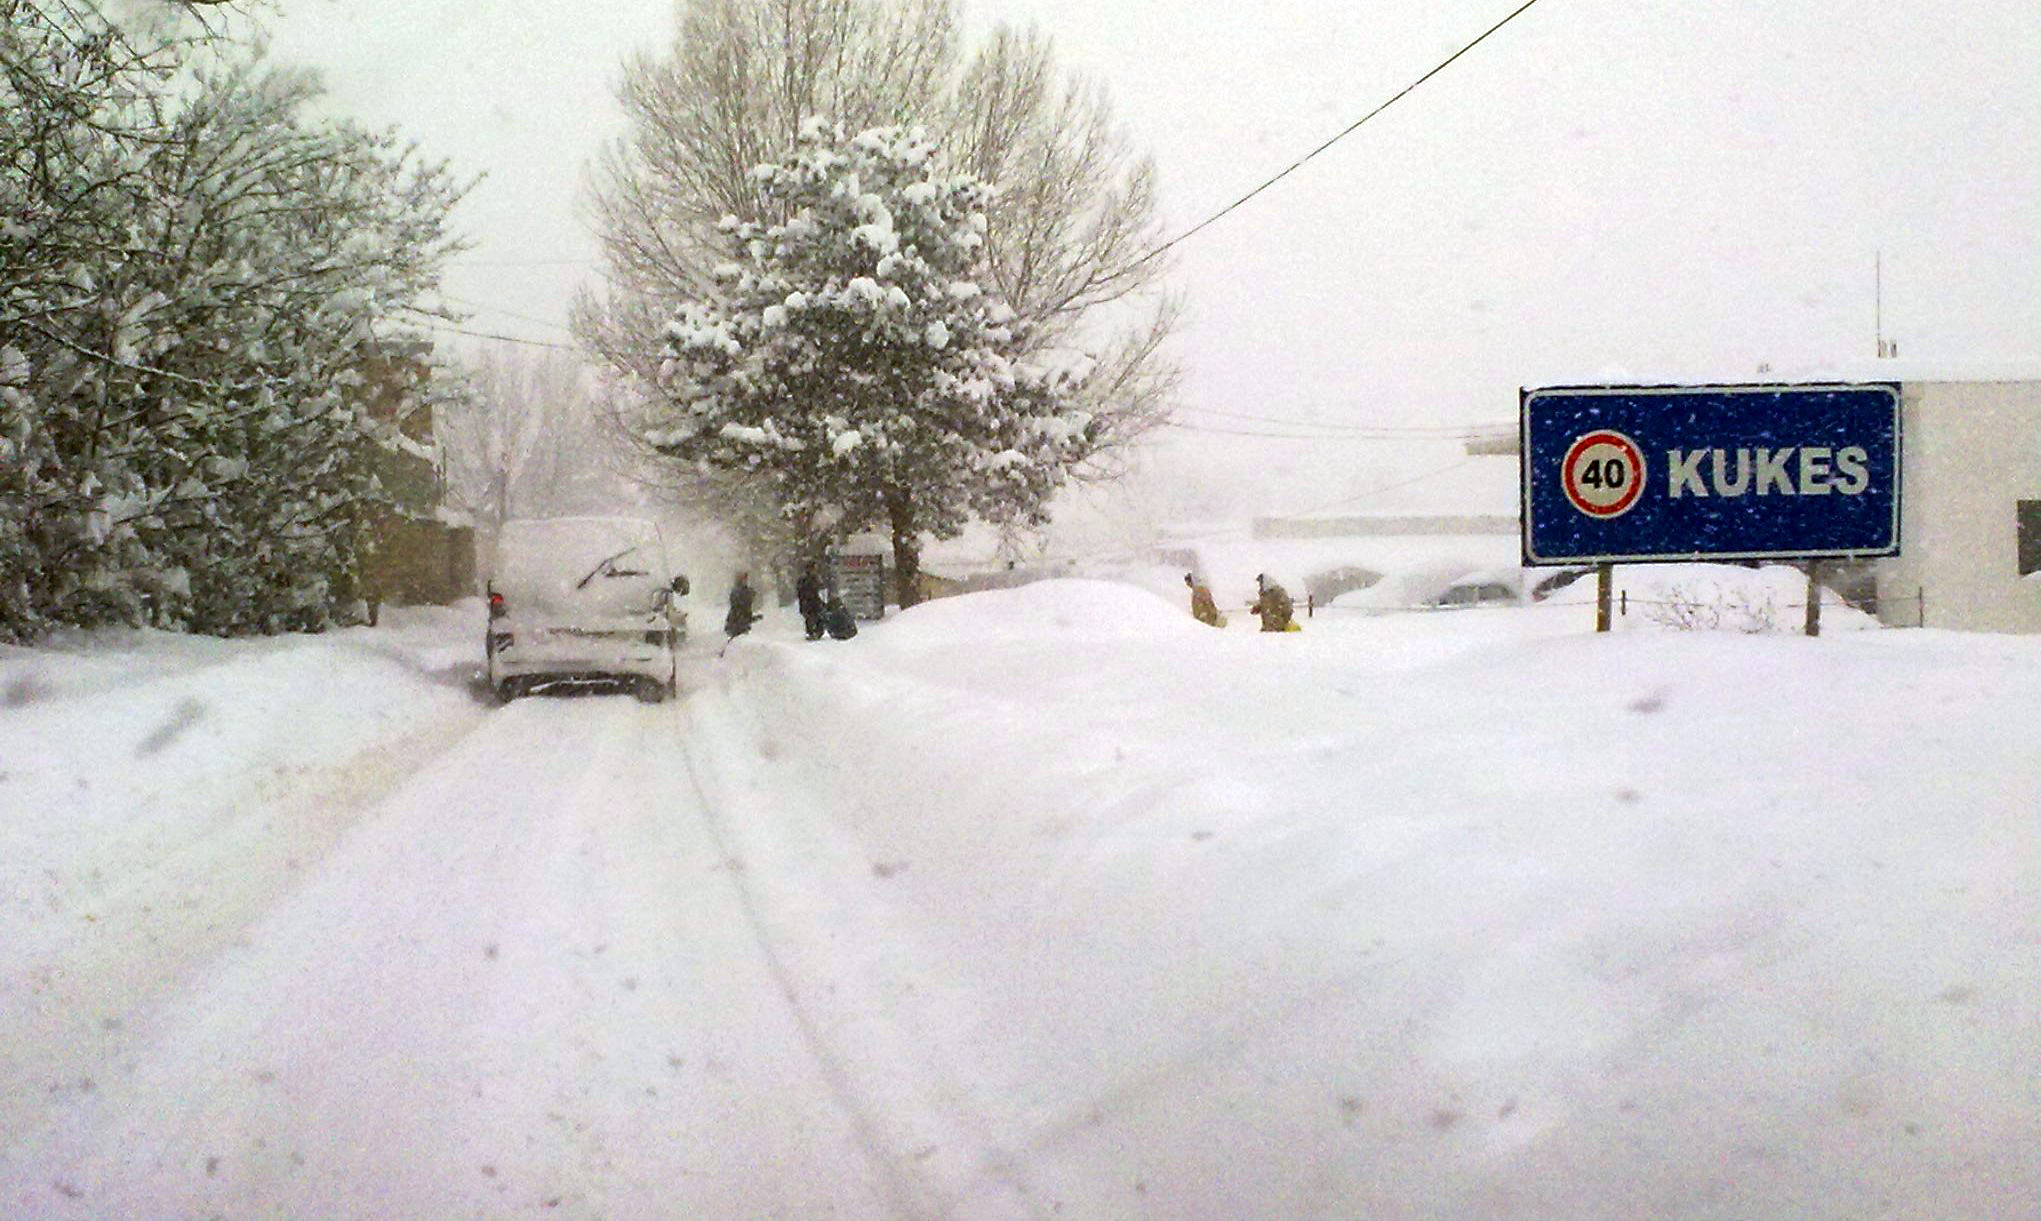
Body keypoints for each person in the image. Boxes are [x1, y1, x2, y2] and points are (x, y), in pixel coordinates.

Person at [723, 571, 760, 641]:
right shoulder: (739, 592)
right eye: (743, 579)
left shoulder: (743, 591)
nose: (745, 581)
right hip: (738, 624)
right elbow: (739, 606)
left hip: (739, 623)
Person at [795, 563, 825, 641]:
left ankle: (815, 632)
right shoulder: (808, 578)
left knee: (814, 616)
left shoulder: (813, 577)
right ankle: (813, 632)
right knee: (811, 617)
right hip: (809, 601)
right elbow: (801, 591)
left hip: (811, 601)